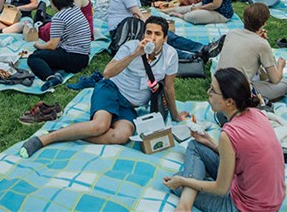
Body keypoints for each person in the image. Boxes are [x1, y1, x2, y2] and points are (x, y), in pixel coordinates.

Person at [19, 17, 189, 158]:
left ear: (165, 39)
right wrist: (135, 54)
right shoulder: (131, 47)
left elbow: (168, 88)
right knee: (100, 126)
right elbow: (107, 73)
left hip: (129, 106)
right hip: (110, 89)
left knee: (121, 136)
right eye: (148, 32)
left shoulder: (170, 55)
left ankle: (72, 133)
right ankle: (48, 138)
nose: (151, 38)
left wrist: (175, 116)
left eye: (157, 34)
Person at [162, 67, 285, 212]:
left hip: (247, 208)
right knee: (196, 146)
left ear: (229, 102)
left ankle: (183, 206)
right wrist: (208, 141)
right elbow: (241, 156)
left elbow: (221, 188)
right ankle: (188, 198)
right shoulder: (257, 114)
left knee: (178, 179)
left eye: (213, 90)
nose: (208, 93)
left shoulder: (228, 133)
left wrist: (183, 181)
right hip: (271, 200)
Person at [217, 3, 287, 102]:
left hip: (217, 85)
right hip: (236, 93)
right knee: (284, 83)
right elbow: (275, 79)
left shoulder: (232, 33)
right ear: (264, 23)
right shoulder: (262, 44)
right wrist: (280, 65)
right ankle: (258, 99)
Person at [28, 0, 92, 92]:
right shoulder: (75, 9)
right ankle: (59, 73)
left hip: (73, 57)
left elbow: (52, 45)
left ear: (56, 1)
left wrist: (37, 44)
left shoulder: (59, 17)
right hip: (84, 57)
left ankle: (51, 78)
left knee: (34, 58)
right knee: (42, 53)